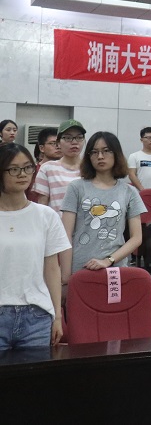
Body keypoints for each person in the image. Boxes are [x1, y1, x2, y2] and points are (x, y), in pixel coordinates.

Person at [0, 143, 71, 349]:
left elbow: (52, 268)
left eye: (27, 167)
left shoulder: (46, 215)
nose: (22, 174)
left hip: (36, 317)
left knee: (35, 371)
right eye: (14, 169)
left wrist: (57, 316)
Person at [61, 132, 145, 276]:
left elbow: (136, 238)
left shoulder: (129, 191)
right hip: (80, 267)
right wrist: (65, 275)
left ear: (116, 154)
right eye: (94, 152)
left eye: (106, 151)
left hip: (114, 268)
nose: (100, 156)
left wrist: (108, 260)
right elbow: (66, 235)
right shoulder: (76, 187)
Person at [34, 120, 85, 212]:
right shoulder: (47, 169)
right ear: (58, 143)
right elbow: (42, 206)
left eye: (79, 137)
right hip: (57, 221)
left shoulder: (90, 168)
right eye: (68, 138)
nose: (74, 142)